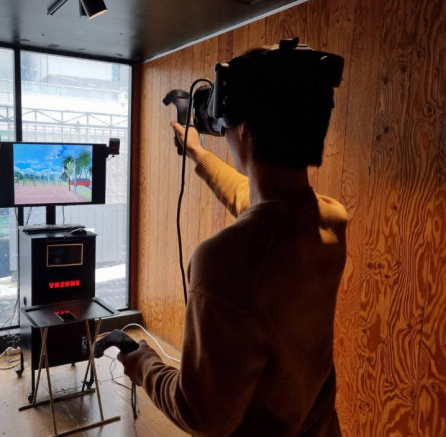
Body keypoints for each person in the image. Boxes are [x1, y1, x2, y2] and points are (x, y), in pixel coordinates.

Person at [117, 42, 348, 436]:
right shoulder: (330, 218)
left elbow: (201, 415)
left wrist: (144, 365)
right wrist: (198, 154)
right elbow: (259, 201)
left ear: (244, 128)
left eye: (226, 123)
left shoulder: (224, 260)